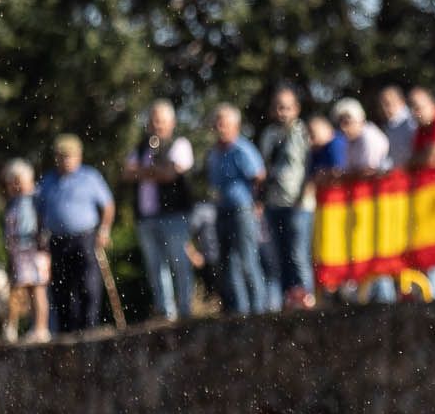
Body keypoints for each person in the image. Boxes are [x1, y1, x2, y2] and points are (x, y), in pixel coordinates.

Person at [122, 100, 196, 322]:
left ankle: (185, 310)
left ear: (171, 123)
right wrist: (156, 171)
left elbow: (171, 174)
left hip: (174, 216)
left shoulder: (179, 144)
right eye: (154, 120)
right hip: (146, 217)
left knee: (179, 262)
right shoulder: (141, 147)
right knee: (155, 267)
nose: (157, 125)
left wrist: (144, 172)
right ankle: (166, 311)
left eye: (161, 121)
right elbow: (126, 173)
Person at [36, 134, 114, 334]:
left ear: (79, 156)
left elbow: (107, 205)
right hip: (58, 240)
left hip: (85, 238)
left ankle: (89, 327)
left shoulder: (90, 177)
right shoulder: (48, 181)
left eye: (70, 156)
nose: (66, 160)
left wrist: (104, 230)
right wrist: (40, 235)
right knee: (62, 288)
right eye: (62, 156)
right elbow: (39, 210)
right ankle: (67, 332)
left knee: (88, 284)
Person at [205, 104, 271, 316]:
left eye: (224, 123)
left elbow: (259, 176)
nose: (220, 127)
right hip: (222, 211)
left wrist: (258, 202)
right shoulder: (214, 153)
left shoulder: (242, 149)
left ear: (235, 125)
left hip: (242, 210)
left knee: (248, 260)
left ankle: (259, 309)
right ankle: (239, 311)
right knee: (228, 263)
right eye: (218, 123)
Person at [258, 84, 316, 309]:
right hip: (275, 203)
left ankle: (306, 297)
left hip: (299, 203)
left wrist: (303, 197)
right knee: (280, 256)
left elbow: (309, 166)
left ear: (297, 109)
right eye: (278, 108)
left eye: (287, 107)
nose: (283, 112)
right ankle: (288, 299)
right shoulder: (269, 135)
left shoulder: (303, 132)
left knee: (298, 254)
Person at [0, 158, 49, 343]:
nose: (14, 186)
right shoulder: (13, 203)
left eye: (17, 181)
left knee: (38, 289)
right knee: (27, 291)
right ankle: (34, 327)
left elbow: (42, 225)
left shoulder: (36, 198)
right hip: (19, 252)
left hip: (34, 250)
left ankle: (41, 328)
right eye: (12, 182)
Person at [332, 97, 390, 173]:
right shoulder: (351, 139)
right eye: (339, 123)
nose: (343, 128)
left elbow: (368, 172)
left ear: (359, 119)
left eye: (346, 122)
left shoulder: (369, 137)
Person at [377, 86, 419, 165]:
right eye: (381, 105)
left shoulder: (412, 122)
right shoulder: (389, 126)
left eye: (387, 103)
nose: (384, 109)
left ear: (401, 102)